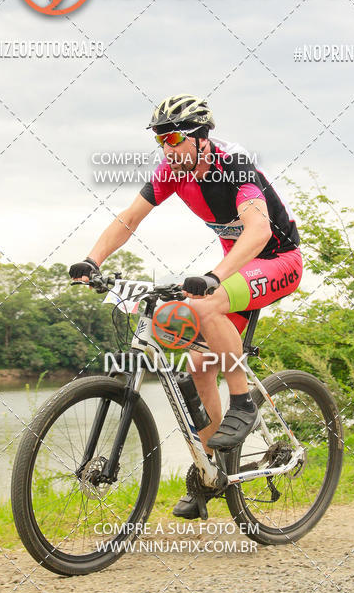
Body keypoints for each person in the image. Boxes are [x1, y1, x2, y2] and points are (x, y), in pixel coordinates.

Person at [70, 93, 302, 518]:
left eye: (174, 139)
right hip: (237, 268)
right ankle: (210, 473)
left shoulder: (234, 165)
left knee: (208, 304)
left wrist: (214, 276)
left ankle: (243, 403)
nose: (167, 148)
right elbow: (129, 218)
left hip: (277, 260)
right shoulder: (170, 171)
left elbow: (259, 231)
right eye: (160, 140)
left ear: (201, 138)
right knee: (199, 365)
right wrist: (93, 260)